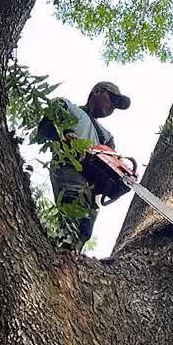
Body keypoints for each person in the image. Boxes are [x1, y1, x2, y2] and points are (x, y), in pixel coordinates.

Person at [36, 81, 132, 249]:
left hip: (92, 182)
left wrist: (118, 177)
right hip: (69, 166)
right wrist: (65, 134)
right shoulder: (69, 107)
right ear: (97, 92)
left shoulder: (106, 135)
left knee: (86, 225)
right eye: (112, 99)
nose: (113, 107)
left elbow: (112, 161)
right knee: (74, 204)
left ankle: (73, 253)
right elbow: (45, 127)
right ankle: (64, 248)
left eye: (117, 105)